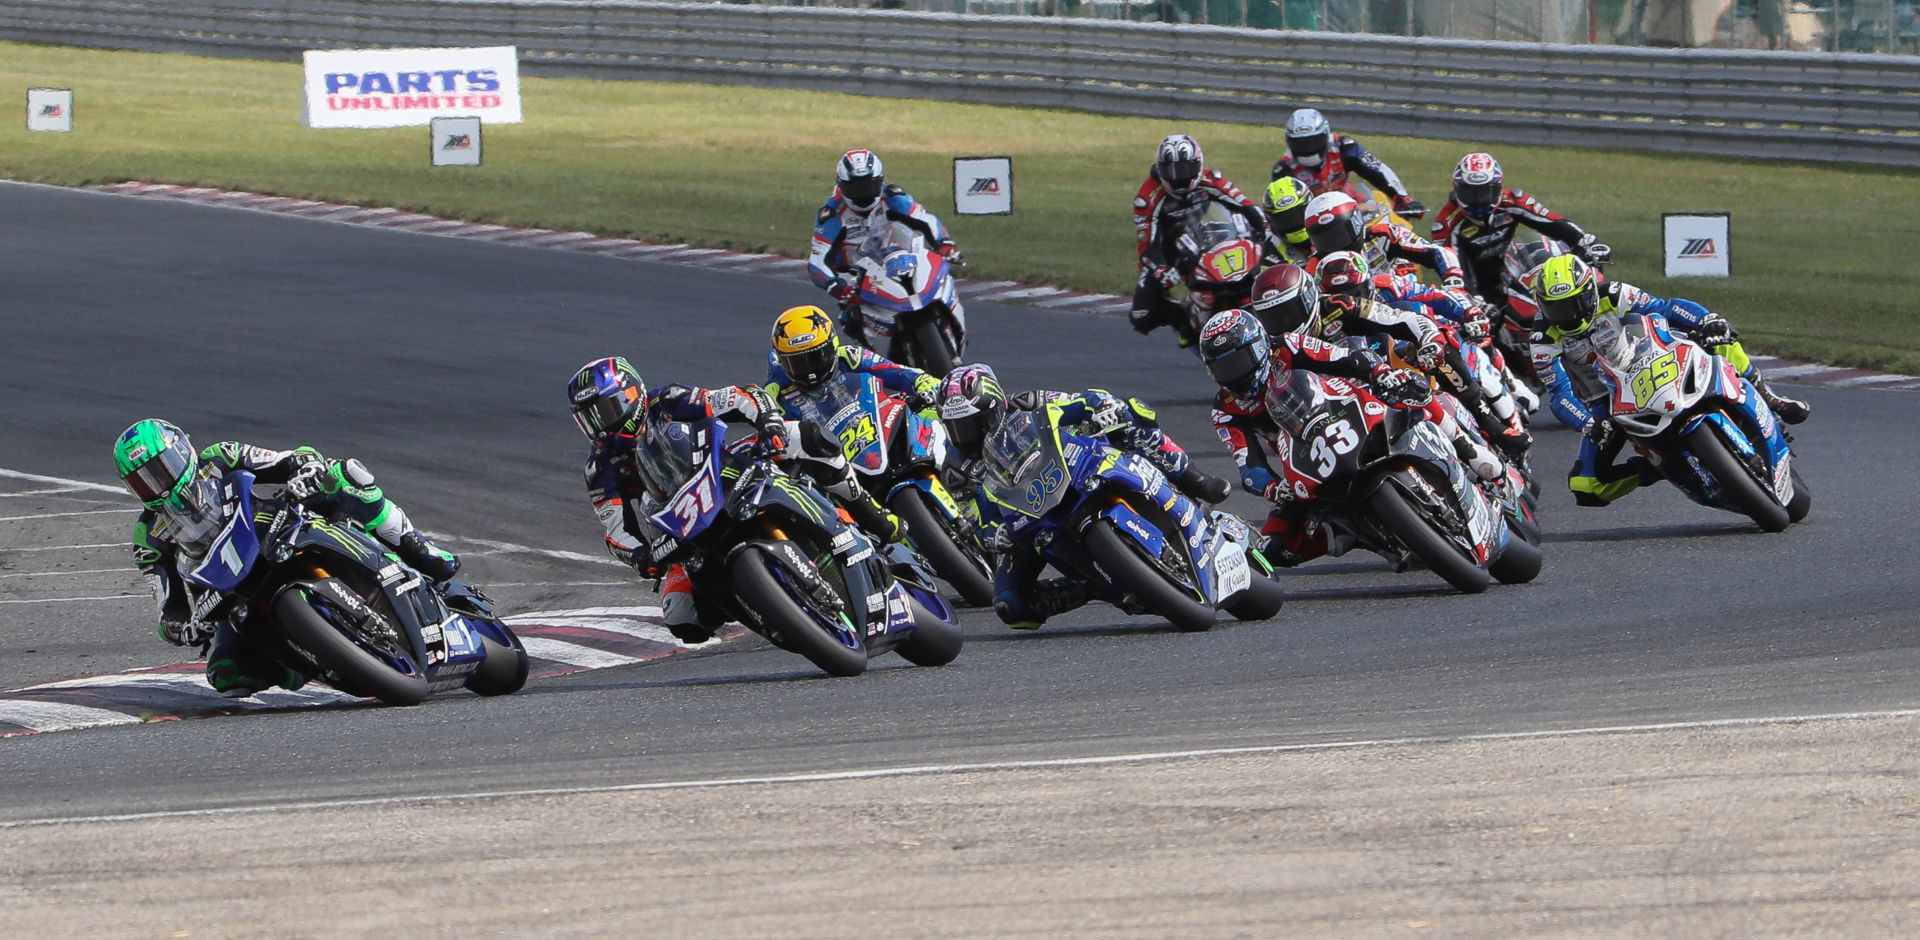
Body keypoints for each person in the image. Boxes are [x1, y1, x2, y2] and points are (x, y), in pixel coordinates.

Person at [114, 419, 460, 696]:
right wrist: (184, 629)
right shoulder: (150, 536)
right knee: (228, 675)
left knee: (344, 475)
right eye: (142, 481)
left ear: (182, 452)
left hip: (278, 527)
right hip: (231, 592)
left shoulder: (219, 457)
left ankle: (418, 549)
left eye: (161, 469)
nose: (157, 484)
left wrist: (305, 468)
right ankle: (308, 659)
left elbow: (287, 458)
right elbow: (167, 608)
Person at [1197, 309, 1495, 565]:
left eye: (1239, 362)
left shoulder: (1287, 346)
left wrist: (1379, 373)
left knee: (1411, 387)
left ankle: (1468, 449)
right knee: (1275, 546)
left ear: (1260, 347)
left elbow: (1343, 356)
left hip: (1345, 407)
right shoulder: (1225, 409)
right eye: (1222, 369)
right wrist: (1275, 489)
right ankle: (1354, 535)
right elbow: (1249, 466)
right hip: (1304, 460)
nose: (1234, 375)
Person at [1528, 255, 1808, 506]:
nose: (1568, 315)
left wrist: (1706, 320)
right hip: (1607, 398)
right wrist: (1587, 423)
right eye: (1557, 308)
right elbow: (1559, 393)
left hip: (1654, 356)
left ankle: (1768, 397)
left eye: (1575, 304)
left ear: (1589, 292)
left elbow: (1665, 308)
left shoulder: (1613, 294)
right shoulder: (1542, 338)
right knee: (1586, 486)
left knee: (1721, 338)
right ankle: (1657, 467)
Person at [568, 357, 791, 643]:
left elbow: (738, 397)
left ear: (630, 396)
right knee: (682, 618)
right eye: (588, 419)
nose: (598, 427)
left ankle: (850, 509)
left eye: (604, 411)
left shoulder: (667, 400)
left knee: (801, 439)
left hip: (724, 474)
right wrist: (640, 556)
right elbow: (615, 529)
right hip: (676, 523)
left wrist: (769, 422)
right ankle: (765, 612)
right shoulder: (599, 469)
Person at [1312, 253, 1532, 457]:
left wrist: (1468, 313)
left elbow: (1434, 296)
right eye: (1336, 296)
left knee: (1451, 339)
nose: (1350, 303)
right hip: (1367, 377)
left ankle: (1492, 422)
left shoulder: (1388, 286)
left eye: (1355, 294)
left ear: (1368, 286)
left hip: (1410, 348)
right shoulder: (1318, 319)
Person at [936, 364, 1092, 630]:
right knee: (1010, 605)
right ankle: (1093, 588)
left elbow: (1083, 402)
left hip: (1077, 472)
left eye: (973, 423)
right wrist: (995, 534)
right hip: (1023, 521)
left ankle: (1179, 480)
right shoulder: (956, 470)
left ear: (995, 407)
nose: (966, 434)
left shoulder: (1029, 403)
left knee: (1134, 419)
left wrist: (1099, 412)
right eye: (956, 426)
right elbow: (973, 519)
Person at [1129, 133, 1269, 343]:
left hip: (1210, 237)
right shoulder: (1147, 197)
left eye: (1186, 170)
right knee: (1142, 314)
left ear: (1199, 163)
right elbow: (1148, 247)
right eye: (1172, 171)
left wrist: (1264, 231)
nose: (1179, 178)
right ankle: (1184, 320)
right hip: (1168, 253)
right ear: (1160, 169)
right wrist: (1162, 271)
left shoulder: (1211, 179)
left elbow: (1247, 206)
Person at [1429, 152, 1611, 308]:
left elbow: (1553, 222)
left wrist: (1585, 241)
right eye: (1471, 193)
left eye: (1486, 193)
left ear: (1499, 188)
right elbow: (1450, 269)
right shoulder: (1446, 224)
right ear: (1457, 189)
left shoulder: (1513, 201)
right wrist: (1473, 301)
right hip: (1476, 288)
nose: (1479, 201)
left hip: (1514, 275)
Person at [808, 149, 958, 338]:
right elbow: (817, 262)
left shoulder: (893, 196)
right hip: (857, 278)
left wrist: (944, 242)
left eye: (868, 186)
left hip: (896, 259)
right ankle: (876, 360)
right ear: (842, 186)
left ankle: (952, 326)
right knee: (851, 320)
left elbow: (925, 220)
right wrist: (836, 286)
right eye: (855, 188)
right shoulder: (831, 214)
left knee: (941, 278)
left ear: (880, 181)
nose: (863, 194)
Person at [1006, 388, 1233, 505]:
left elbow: (1077, 398)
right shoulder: (971, 475)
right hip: (1031, 498)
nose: (970, 434)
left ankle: (1193, 478)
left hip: (1070, 457)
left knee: (1127, 415)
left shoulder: (1017, 402)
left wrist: (1102, 406)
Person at [1270, 108, 1425, 218]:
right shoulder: (1284, 170)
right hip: (1313, 218)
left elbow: (1376, 168)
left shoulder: (1343, 146)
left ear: (1325, 135)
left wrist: (1402, 198)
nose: (1308, 149)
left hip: (1350, 202)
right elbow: (1283, 211)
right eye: (1301, 144)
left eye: (1312, 141)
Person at [1301, 192, 1466, 288]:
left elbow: (1437, 251)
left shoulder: (1383, 235)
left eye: (1338, 235)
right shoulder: (1315, 266)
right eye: (1324, 240)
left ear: (1356, 223)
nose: (1334, 246)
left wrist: (1453, 279)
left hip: (1399, 304)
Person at [1260, 177, 1315, 265]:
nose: (1294, 223)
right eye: (1284, 220)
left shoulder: (1328, 228)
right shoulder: (1271, 251)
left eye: (1298, 215)